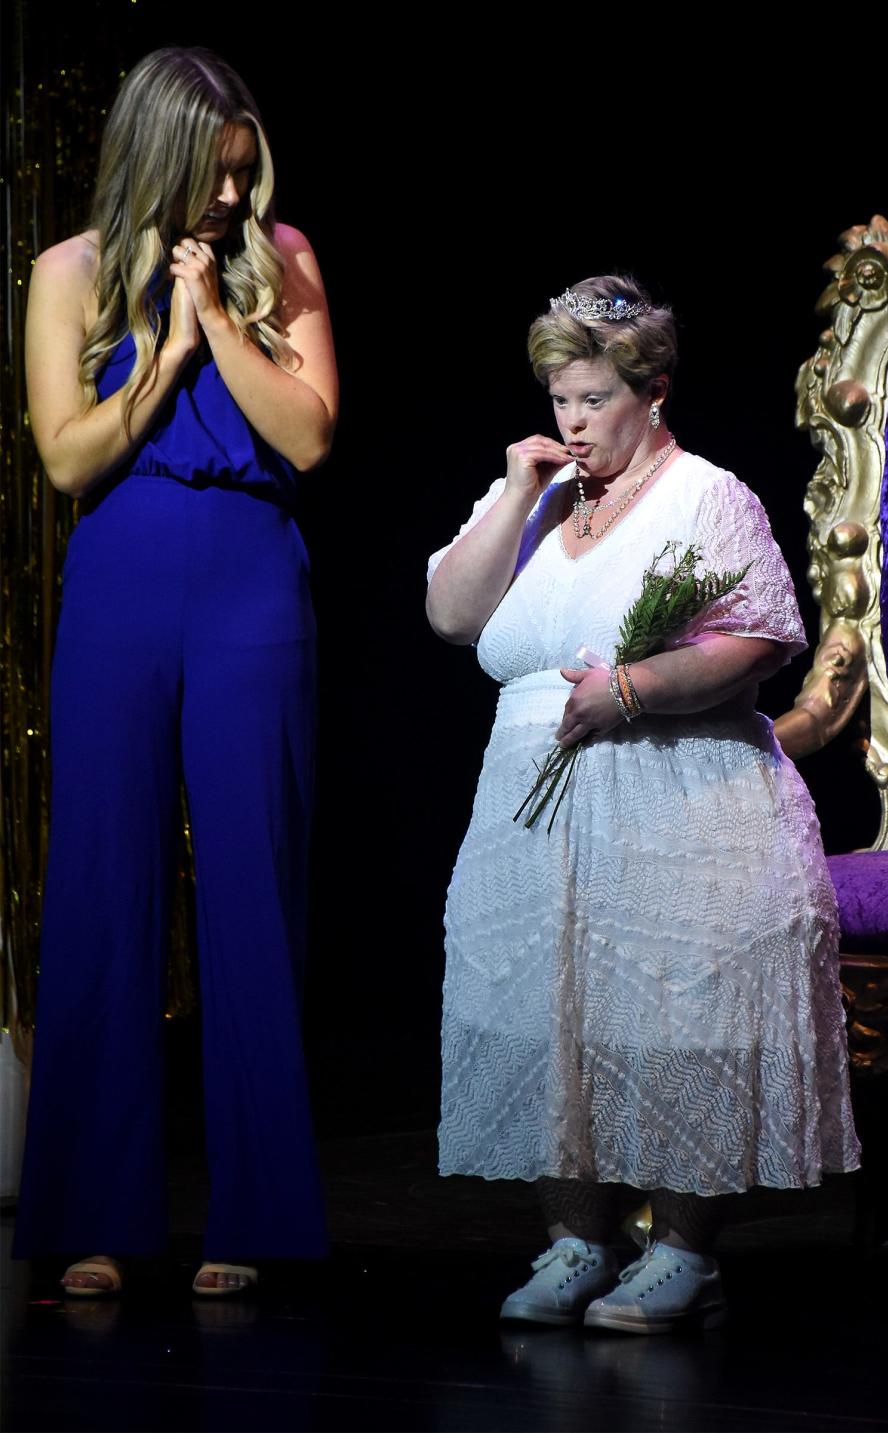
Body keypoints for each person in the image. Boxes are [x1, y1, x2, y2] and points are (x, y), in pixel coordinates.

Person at [426, 275, 859, 1332]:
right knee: (546, 1023)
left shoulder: (707, 494)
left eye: (592, 399)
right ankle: (575, 1239)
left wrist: (631, 688)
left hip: (679, 800)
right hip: (531, 814)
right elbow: (451, 615)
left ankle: (681, 1250)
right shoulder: (539, 500)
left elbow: (758, 639)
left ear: (653, 390)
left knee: (678, 1018)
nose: (571, 421)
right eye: (558, 398)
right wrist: (515, 492)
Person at [13, 47, 338, 1298]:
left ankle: (255, 1215)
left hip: (252, 574)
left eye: (244, 177)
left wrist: (220, 320)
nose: (230, 202)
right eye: (214, 176)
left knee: (255, 876)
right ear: (157, 153)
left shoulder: (285, 259)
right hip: (124, 575)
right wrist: (161, 357)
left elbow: (309, 433)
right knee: (107, 875)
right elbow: (65, 457)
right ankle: (95, 1216)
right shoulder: (70, 274)